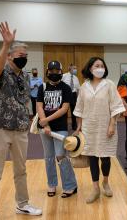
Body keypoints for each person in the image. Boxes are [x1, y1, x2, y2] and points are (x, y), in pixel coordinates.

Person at [0, 22, 42, 219]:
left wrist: (30, 119)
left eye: (26, 56)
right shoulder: (0, 71)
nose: (23, 59)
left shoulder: (25, 77)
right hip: (0, 128)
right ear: (9, 55)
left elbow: (24, 99)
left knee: (21, 170)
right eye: (20, 56)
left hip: (20, 129)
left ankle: (23, 204)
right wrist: (6, 45)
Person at [73, 57, 125, 204]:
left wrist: (112, 124)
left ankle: (106, 182)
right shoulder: (84, 87)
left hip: (105, 126)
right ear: (90, 69)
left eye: (102, 65)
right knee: (93, 157)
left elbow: (116, 106)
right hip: (89, 128)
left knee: (105, 157)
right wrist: (78, 128)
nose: (100, 68)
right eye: (97, 65)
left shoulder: (109, 84)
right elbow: (79, 109)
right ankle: (95, 188)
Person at [36, 60, 78, 198]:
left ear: (61, 72)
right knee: (48, 157)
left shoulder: (66, 88)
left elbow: (64, 109)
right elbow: (39, 106)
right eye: (51, 71)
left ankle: (70, 185)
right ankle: (52, 184)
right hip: (45, 128)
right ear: (47, 71)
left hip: (60, 127)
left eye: (57, 71)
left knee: (61, 156)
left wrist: (46, 121)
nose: (54, 73)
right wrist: (45, 124)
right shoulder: (42, 87)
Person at [62, 64, 80, 130]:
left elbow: (78, 89)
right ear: (70, 68)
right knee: (64, 111)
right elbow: (60, 85)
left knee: (74, 111)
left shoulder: (76, 78)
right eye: (74, 68)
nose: (75, 70)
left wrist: (78, 99)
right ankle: (64, 125)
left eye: (76, 68)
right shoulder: (64, 76)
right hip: (66, 94)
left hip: (74, 95)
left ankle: (74, 126)